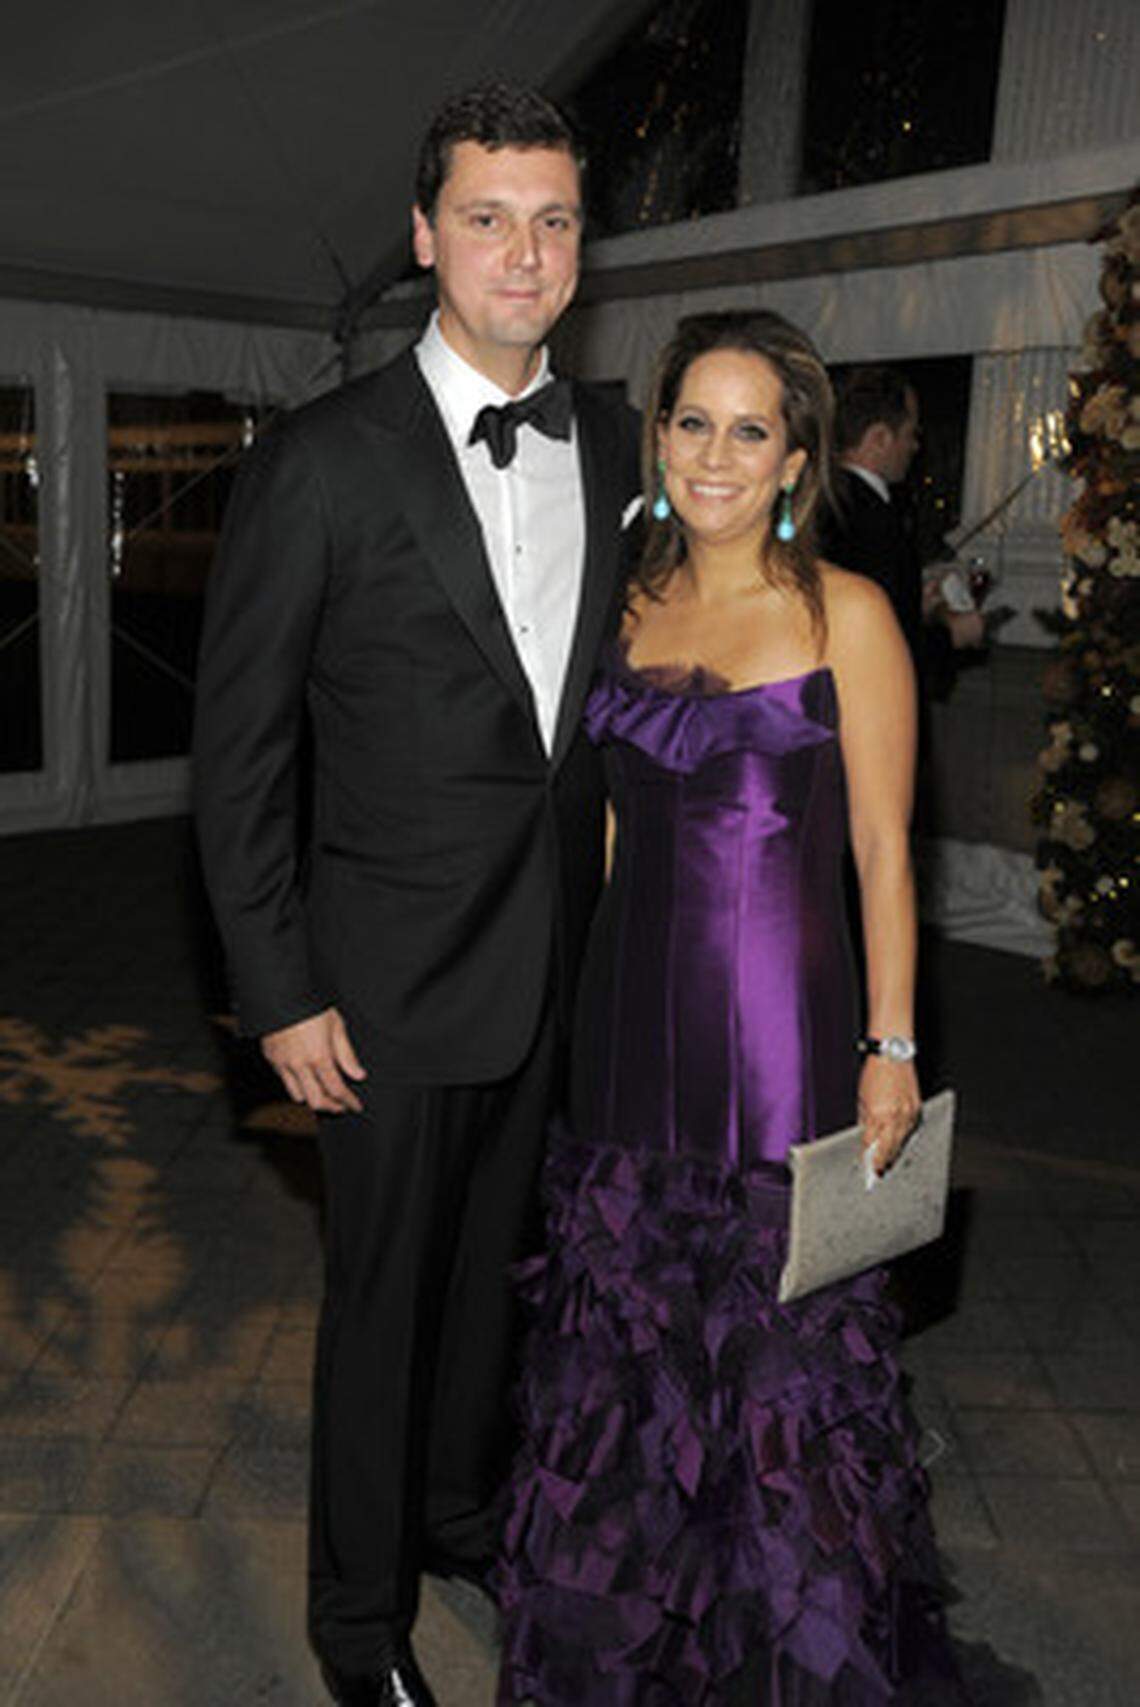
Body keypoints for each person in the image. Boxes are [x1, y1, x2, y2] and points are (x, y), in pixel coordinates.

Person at [193, 83, 639, 1707]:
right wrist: (278, 985)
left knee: (495, 1285)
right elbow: (240, 753)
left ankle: (460, 1516)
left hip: (556, 962)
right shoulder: (322, 460)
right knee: (382, 1305)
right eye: (487, 217)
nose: (524, 251)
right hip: (377, 982)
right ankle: (358, 1619)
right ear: (424, 238)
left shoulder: (620, 445)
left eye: (554, 220)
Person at [496, 312, 966, 1703]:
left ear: (796, 459)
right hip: (622, 1029)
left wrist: (892, 1045)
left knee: (777, 1366)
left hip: (784, 1037)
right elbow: (602, 837)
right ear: (658, 439)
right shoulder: (622, 607)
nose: (715, 454)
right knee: (623, 1351)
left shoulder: (848, 614)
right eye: (692, 422)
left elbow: (886, 851)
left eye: (749, 429)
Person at [820, 364, 984, 682]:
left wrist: (913, 605)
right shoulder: (873, 520)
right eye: (911, 434)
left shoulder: (822, 502)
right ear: (879, 438)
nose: (915, 447)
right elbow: (878, 649)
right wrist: (953, 636)